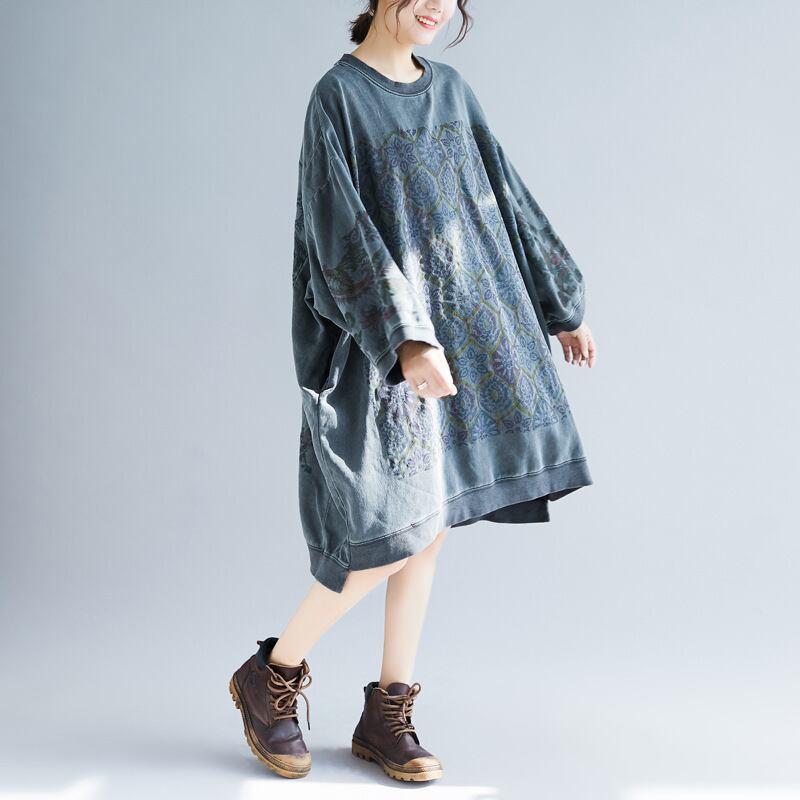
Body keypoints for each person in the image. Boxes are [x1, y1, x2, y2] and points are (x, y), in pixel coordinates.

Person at [229, 0, 597, 783]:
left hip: (460, 333)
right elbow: (338, 232)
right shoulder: (338, 97)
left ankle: (386, 711)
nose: (438, 4)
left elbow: (501, 196)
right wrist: (404, 339)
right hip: (381, 343)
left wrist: (560, 302)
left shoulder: (453, 90)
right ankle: (272, 672)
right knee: (390, 526)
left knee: (429, 529)